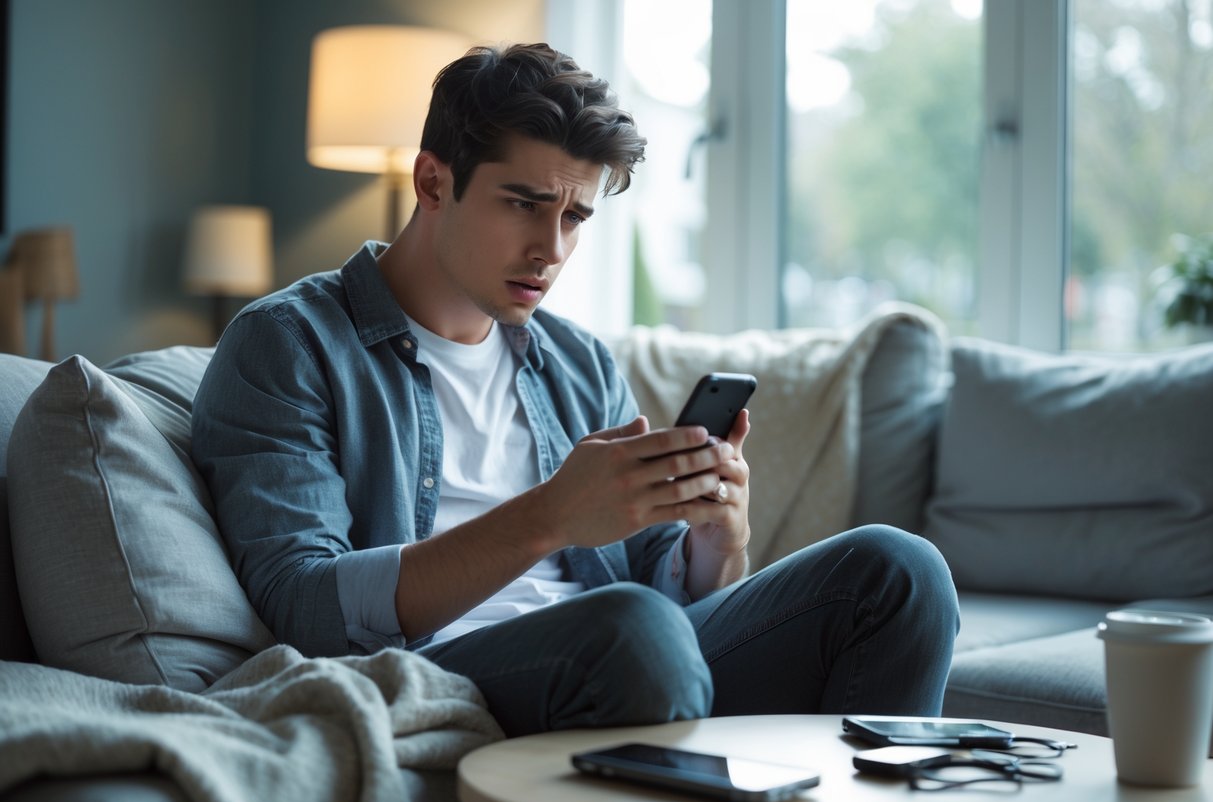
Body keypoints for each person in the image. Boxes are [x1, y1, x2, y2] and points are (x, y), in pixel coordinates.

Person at [191, 42, 959, 738]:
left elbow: (670, 585)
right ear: (432, 181)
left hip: (632, 658)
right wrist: (549, 518)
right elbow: (304, 604)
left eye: (576, 216)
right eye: (524, 204)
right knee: (632, 629)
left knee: (898, 570)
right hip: (440, 671)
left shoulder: (575, 359)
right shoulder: (287, 343)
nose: (550, 249)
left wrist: (717, 542)